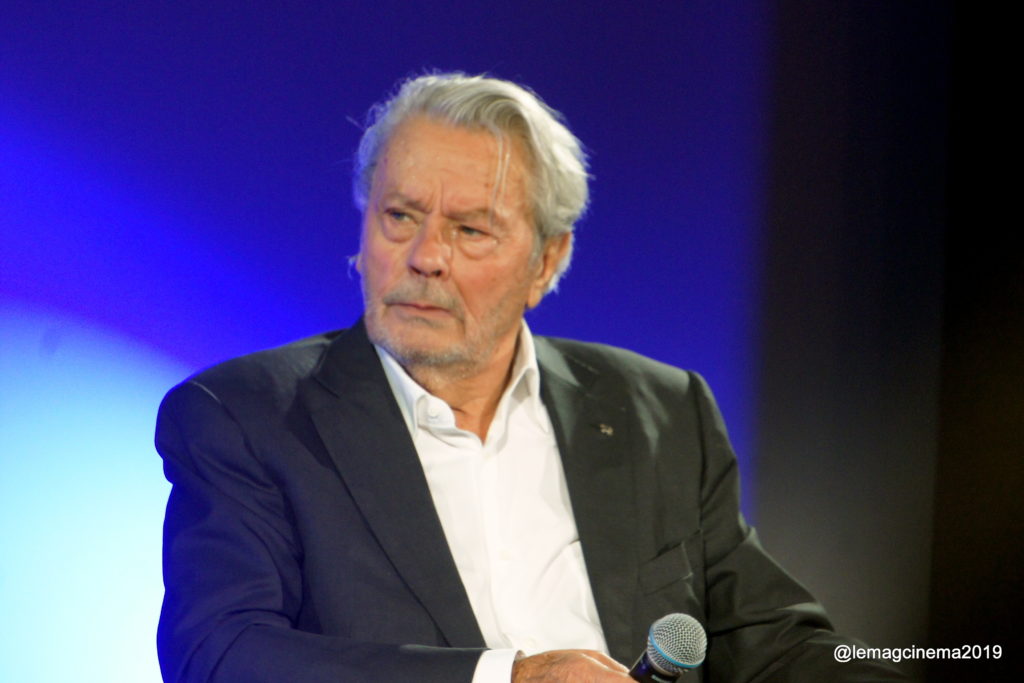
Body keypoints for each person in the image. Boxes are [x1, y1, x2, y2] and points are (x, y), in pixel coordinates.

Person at [156, 73, 905, 682]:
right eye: (399, 216)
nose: (425, 256)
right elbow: (220, 654)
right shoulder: (246, 417)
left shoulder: (660, 410)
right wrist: (506, 678)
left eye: (469, 229)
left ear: (547, 261)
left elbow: (774, 644)